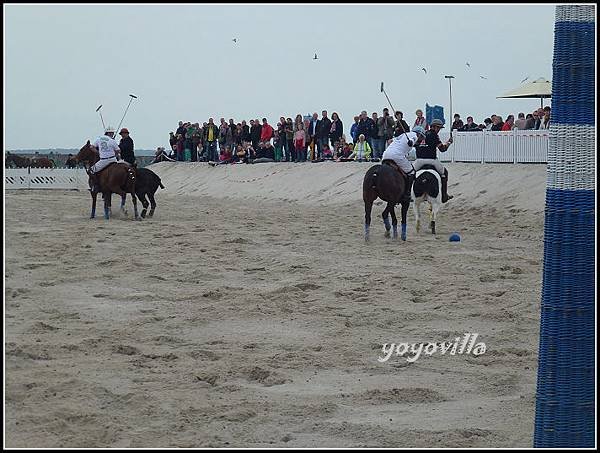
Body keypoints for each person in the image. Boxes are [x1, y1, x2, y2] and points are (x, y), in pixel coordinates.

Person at [381, 126, 427, 202]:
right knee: (411, 172)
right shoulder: (414, 136)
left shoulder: (402, 135)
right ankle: (408, 193)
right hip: (397, 156)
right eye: (421, 137)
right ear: (419, 134)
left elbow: (390, 141)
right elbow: (412, 140)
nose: (421, 140)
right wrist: (411, 142)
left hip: (385, 155)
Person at [413, 118, 454, 203]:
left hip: (419, 161)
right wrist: (448, 143)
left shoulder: (421, 134)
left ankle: (407, 194)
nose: (439, 130)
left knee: (409, 174)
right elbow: (442, 149)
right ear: (434, 127)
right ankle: (444, 195)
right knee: (444, 173)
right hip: (431, 160)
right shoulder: (434, 135)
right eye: (438, 128)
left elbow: (415, 145)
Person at [88, 126, 121, 192]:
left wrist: (98, 153)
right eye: (112, 133)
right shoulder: (112, 141)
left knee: (91, 170)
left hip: (104, 160)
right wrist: (114, 153)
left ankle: (95, 185)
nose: (112, 134)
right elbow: (118, 150)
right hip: (113, 160)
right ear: (109, 133)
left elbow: (91, 147)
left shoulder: (99, 139)